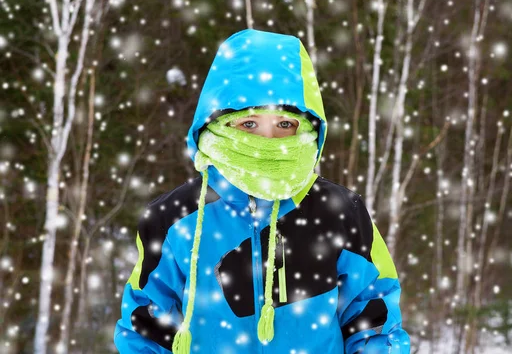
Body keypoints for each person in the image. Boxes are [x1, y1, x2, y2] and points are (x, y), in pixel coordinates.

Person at [114, 29, 411, 354]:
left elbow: (374, 317)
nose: (267, 143)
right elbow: (144, 330)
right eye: (249, 124)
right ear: (215, 125)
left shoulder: (339, 211)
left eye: (285, 125)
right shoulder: (174, 218)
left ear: (310, 129)